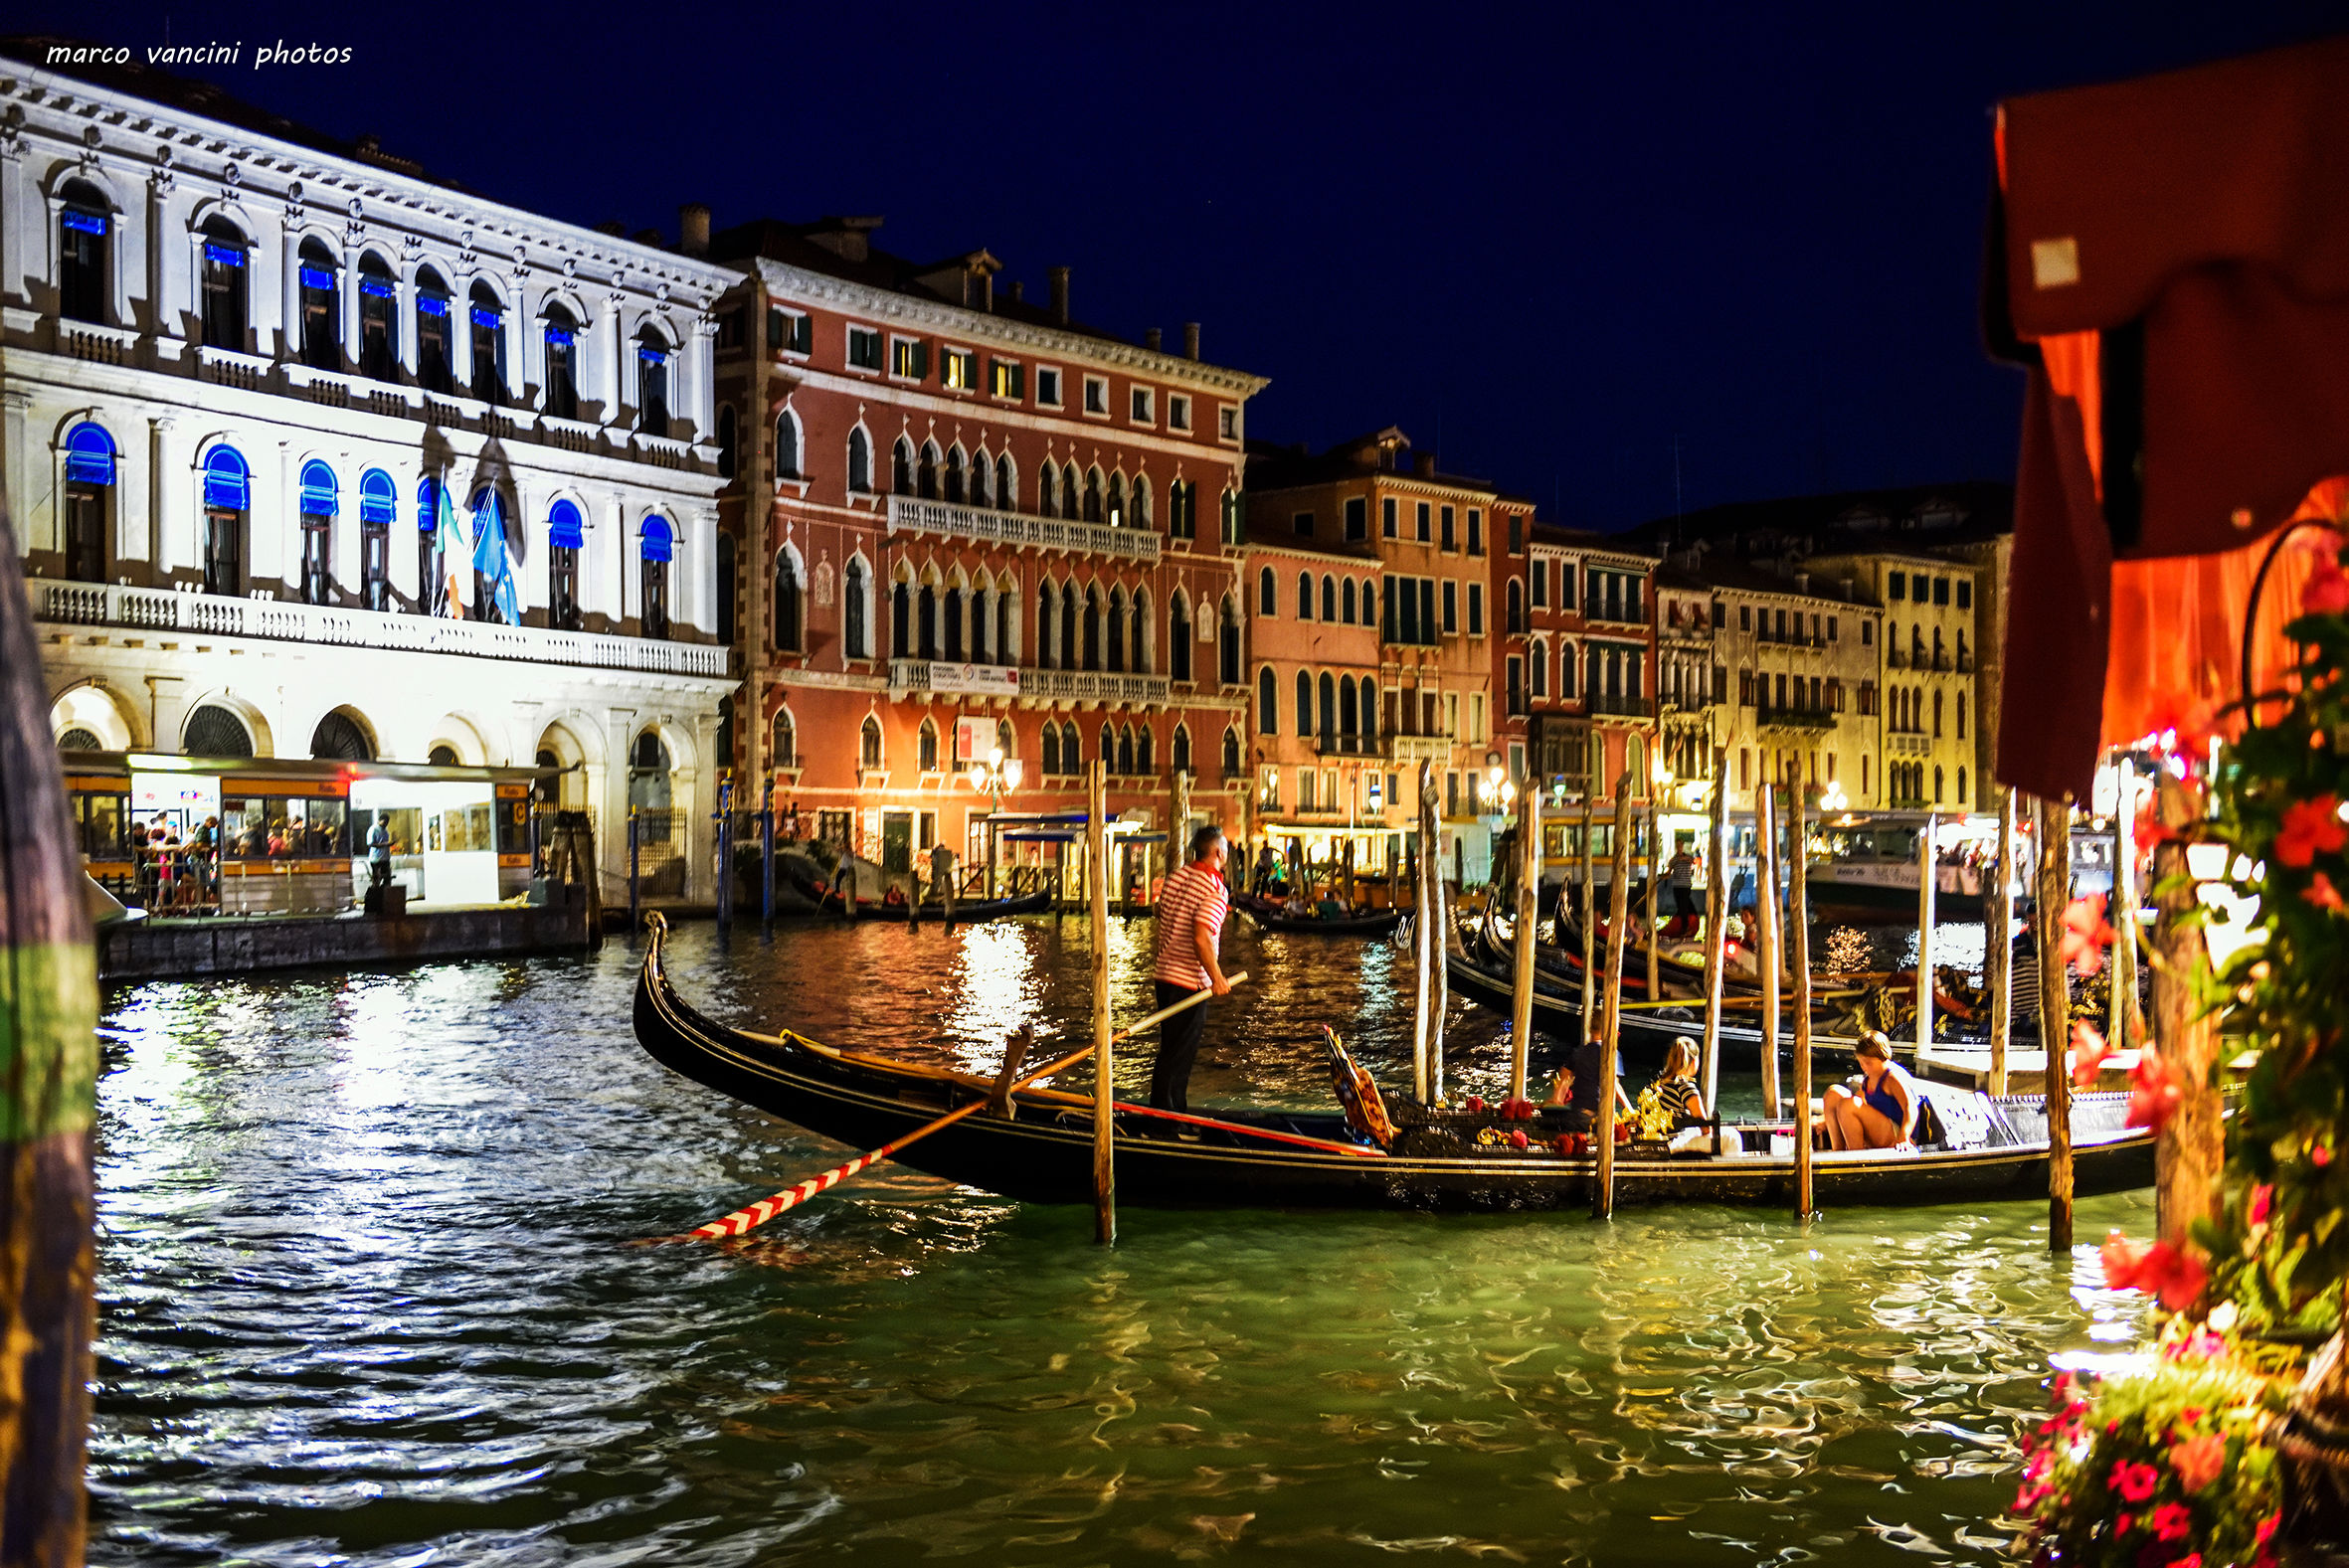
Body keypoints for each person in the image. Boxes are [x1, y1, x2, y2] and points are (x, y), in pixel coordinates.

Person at [1150, 823, 1233, 1112]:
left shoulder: (1175, 877)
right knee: (1178, 1056)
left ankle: (1174, 1114)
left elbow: (1160, 912)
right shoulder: (1215, 888)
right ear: (1218, 852)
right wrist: (1217, 978)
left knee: (1170, 1050)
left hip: (1163, 976)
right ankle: (1166, 1121)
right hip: (1189, 982)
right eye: (1226, 848)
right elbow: (1201, 936)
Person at [1823, 1031, 1918, 1151]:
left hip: (1897, 1133)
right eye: (1861, 1063)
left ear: (1883, 1056)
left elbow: (1910, 1107)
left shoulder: (1893, 1077)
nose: (1864, 1067)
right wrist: (1822, 1120)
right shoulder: (1869, 1078)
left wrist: (1903, 1136)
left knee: (1848, 1105)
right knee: (1834, 1093)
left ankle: (1856, 1157)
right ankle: (1837, 1151)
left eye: (1868, 1063)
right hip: (1879, 1129)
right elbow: (1860, 1100)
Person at [1650, 1036, 1707, 1123]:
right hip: (1676, 1135)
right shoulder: (1686, 1088)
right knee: (1730, 1134)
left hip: (1656, 1131)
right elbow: (1705, 1128)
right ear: (1694, 1061)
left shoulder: (1658, 1078)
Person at [367, 815, 393, 889]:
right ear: (379, 820)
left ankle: (385, 896)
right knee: (377, 880)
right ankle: (376, 895)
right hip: (376, 859)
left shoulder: (385, 830)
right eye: (384, 822)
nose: (386, 824)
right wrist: (384, 844)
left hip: (385, 858)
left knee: (387, 879)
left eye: (387, 823)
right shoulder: (373, 829)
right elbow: (370, 844)